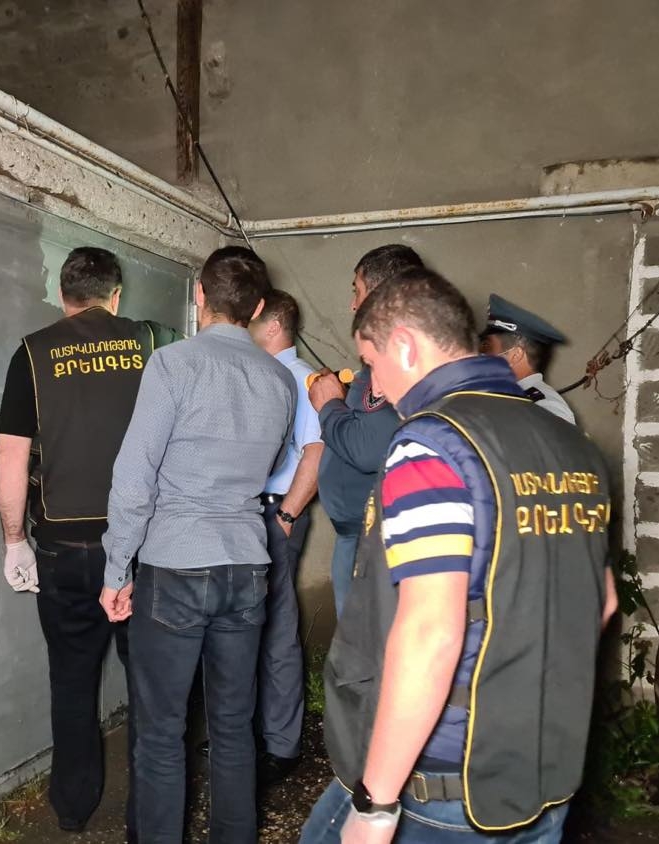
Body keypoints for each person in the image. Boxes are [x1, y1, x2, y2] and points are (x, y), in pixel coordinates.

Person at [301, 267, 618, 844]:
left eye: (371, 362)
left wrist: (377, 806)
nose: (375, 383)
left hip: (442, 780)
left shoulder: (433, 444)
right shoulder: (570, 445)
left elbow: (431, 631)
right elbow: (602, 602)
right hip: (539, 768)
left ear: (404, 345)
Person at [100, 246, 295, 844]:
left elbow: (134, 479)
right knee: (234, 728)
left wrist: (116, 569)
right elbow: (272, 464)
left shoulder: (172, 365)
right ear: (257, 309)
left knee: (162, 733)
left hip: (176, 566)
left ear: (199, 296)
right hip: (247, 566)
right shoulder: (280, 379)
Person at [0, 246, 179, 837]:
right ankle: (148, 817)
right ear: (115, 296)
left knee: (71, 680)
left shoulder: (33, 351)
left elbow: (11, 453)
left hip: (64, 547)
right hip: (142, 547)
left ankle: (74, 809)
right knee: (149, 682)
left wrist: (15, 539)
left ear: (62, 295)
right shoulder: (152, 343)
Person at [308, 244, 426, 616]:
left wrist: (329, 405)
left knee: (371, 646)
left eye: (357, 291)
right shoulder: (380, 359)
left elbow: (367, 449)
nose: (353, 305)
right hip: (358, 536)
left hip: (377, 540)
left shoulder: (403, 360)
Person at [247, 289, 325, 785]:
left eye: (253, 320)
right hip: (254, 513)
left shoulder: (300, 379)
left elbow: (317, 451)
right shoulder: (263, 374)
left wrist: (288, 515)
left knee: (276, 628)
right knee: (246, 627)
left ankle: (281, 743)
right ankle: (251, 733)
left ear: (273, 326)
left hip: (278, 512)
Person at [478, 293, 575, 424]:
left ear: (515, 355)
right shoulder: (502, 396)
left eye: (487, 346)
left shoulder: (546, 407)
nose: (480, 353)